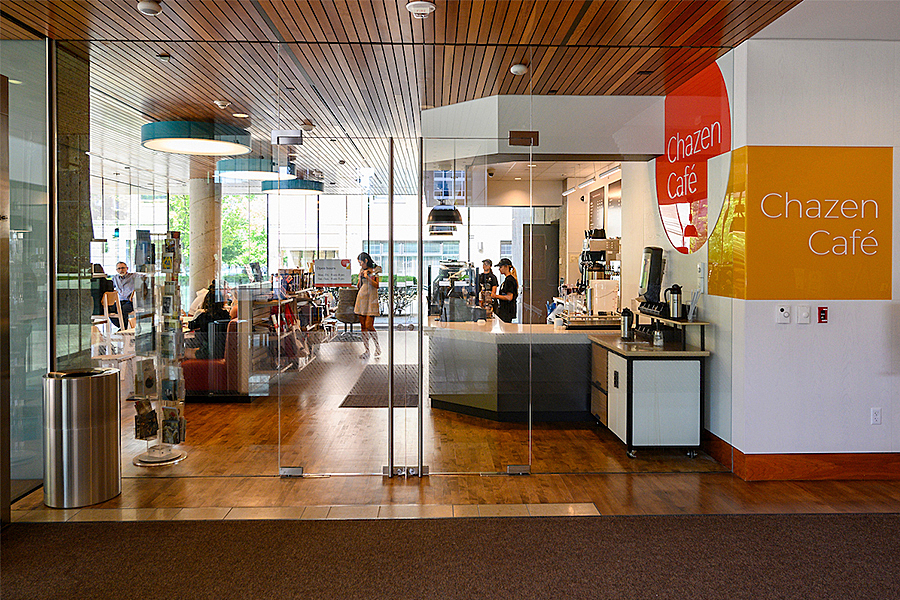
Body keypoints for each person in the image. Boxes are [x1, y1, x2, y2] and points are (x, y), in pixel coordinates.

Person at [187, 284, 232, 359]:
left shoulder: (204, 316)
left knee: (185, 351)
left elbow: (191, 326)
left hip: (208, 352)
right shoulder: (225, 315)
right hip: (221, 350)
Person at [354, 251, 382, 359]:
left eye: (361, 262)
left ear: (366, 261)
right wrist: (360, 277)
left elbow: (376, 285)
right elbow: (358, 286)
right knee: (363, 326)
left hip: (371, 299)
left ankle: (377, 347)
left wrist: (368, 277)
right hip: (362, 298)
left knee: (369, 325)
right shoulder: (362, 270)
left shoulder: (375, 270)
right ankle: (366, 350)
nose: (360, 264)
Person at [492, 257, 518, 323]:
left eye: (501, 267)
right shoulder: (506, 279)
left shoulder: (510, 280)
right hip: (504, 311)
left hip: (507, 311)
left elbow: (509, 297)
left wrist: (496, 296)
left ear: (506, 267)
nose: (499, 269)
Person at [111, 261, 136, 327]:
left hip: (130, 301)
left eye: (123, 268)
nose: (121, 270)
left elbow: (145, 276)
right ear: (116, 270)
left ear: (127, 268)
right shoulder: (115, 278)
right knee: (110, 309)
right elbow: (111, 288)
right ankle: (120, 325)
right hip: (119, 301)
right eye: (119, 269)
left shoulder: (133, 276)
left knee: (124, 309)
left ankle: (123, 327)